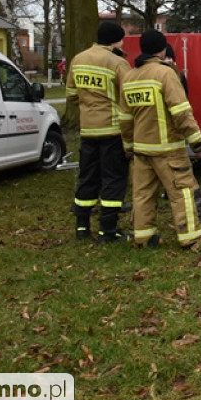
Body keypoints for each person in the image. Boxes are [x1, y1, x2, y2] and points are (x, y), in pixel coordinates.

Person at [120, 29, 201, 251]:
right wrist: (196, 141)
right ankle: (192, 239)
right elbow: (181, 110)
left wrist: (128, 146)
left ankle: (143, 237)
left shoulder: (130, 77)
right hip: (168, 149)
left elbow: (125, 119)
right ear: (162, 49)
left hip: (141, 149)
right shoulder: (166, 74)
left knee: (143, 194)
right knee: (183, 192)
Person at [66, 21, 131, 242]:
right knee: (113, 178)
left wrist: (88, 104)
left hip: (88, 130)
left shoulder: (78, 59)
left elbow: (72, 94)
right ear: (116, 40)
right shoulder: (117, 63)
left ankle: (82, 227)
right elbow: (128, 96)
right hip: (112, 130)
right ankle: (108, 230)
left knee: (87, 177)